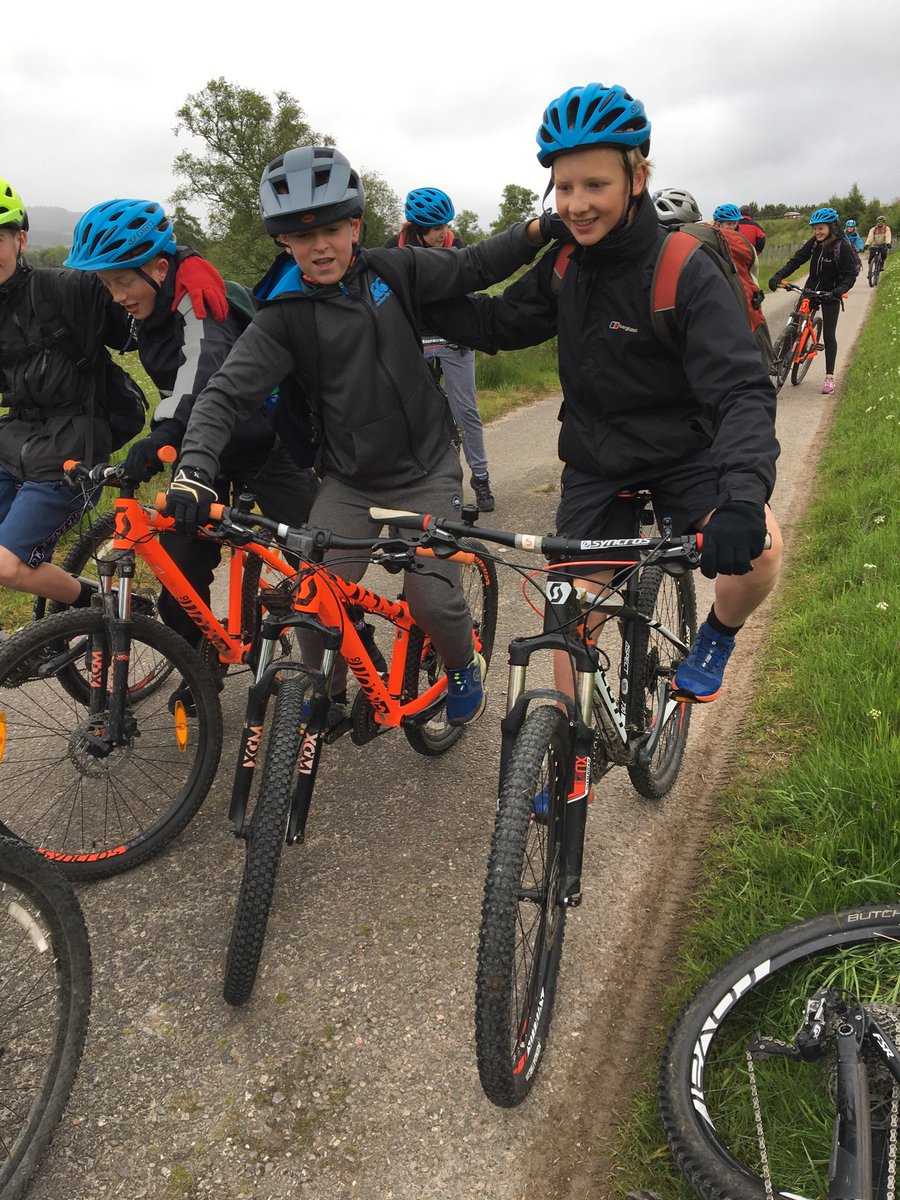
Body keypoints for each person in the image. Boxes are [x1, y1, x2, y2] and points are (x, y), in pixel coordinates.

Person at [423, 82, 784, 705]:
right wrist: (410, 296)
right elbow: (497, 323)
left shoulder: (682, 266)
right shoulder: (566, 263)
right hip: (596, 457)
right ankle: (569, 747)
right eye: (565, 188)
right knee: (568, 621)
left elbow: (740, 391)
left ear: (636, 177)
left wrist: (744, 500)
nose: (577, 204)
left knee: (763, 555)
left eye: (595, 185)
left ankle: (717, 636)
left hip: (685, 453)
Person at [164, 145, 549, 725]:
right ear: (284, 243)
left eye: (331, 229)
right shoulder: (284, 315)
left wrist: (538, 229)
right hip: (349, 482)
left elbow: (475, 266)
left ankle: (464, 663)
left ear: (356, 226)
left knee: (431, 599)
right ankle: (331, 687)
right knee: (311, 601)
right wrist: (193, 469)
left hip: (425, 470)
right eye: (300, 235)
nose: (319, 246)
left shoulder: (394, 270)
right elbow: (225, 393)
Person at [63, 198, 318, 700]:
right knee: (178, 576)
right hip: (203, 452)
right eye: (107, 285)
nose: (116, 296)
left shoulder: (200, 300)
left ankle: (345, 658)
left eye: (123, 282)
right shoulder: (148, 300)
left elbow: (201, 378)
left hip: (264, 443)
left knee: (316, 561)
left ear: (159, 268)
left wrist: (160, 435)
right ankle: (205, 663)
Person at [0, 179, 221, 621]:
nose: (116, 292)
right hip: (14, 440)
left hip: (71, 443)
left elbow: (143, 279)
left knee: (7, 565)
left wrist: (189, 264)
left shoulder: (67, 289)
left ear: (21, 239)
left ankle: (104, 610)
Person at [384, 188, 495, 512]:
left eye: (446, 226)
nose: (443, 233)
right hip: (414, 340)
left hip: (451, 338)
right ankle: (407, 485)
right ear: (418, 229)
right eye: (436, 229)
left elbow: (468, 289)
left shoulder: (455, 247)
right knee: (406, 413)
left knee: (466, 411)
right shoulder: (395, 250)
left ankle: (481, 477)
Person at [769, 206, 858, 394]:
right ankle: (781, 359)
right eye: (814, 228)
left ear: (831, 227)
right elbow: (797, 260)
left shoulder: (842, 247)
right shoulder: (815, 243)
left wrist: (839, 290)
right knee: (795, 320)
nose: (817, 232)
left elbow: (850, 275)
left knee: (829, 335)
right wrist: (777, 276)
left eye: (821, 228)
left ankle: (829, 376)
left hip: (830, 294)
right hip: (811, 289)